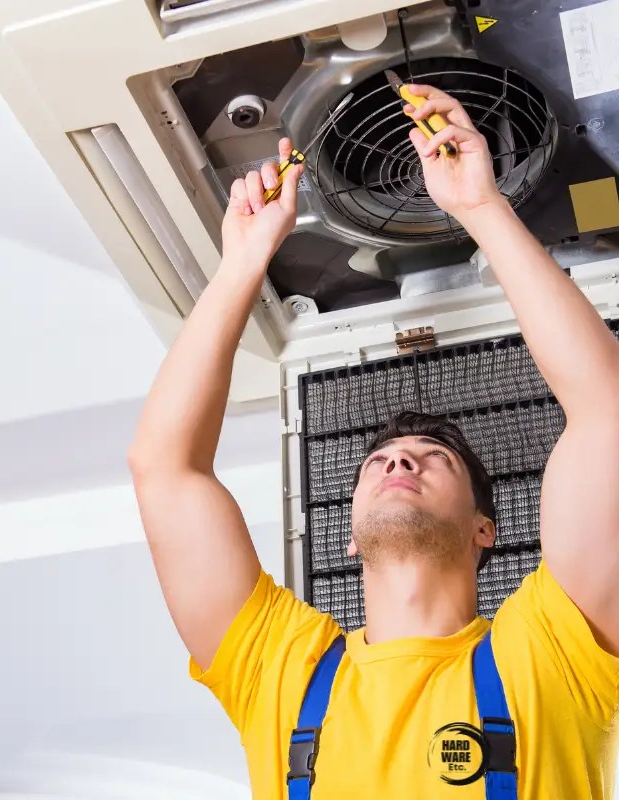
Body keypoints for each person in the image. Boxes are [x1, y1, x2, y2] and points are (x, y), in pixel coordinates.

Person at [127, 84, 619, 798]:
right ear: (349, 538)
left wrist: (482, 208)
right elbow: (162, 467)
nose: (398, 459)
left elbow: (606, 410)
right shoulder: (282, 670)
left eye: (434, 458)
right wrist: (240, 264)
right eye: (379, 462)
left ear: (486, 530)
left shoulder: (551, 651)